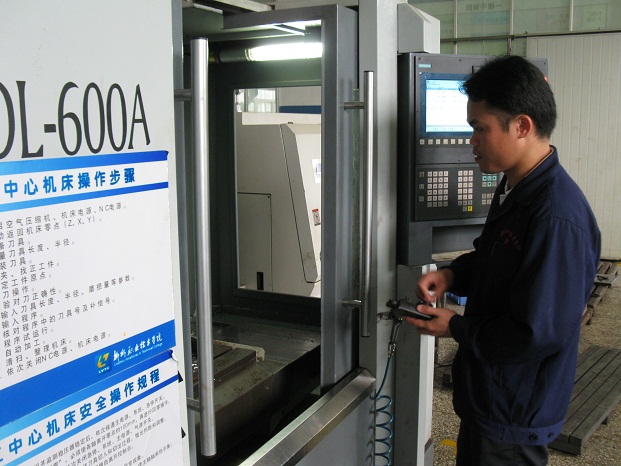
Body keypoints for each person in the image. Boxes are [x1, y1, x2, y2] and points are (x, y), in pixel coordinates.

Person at [405, 55, 601, 465]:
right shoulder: (516, 187)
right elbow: (496, 258)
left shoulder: (556, 217)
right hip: (491, 396)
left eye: (480, 129)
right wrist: (452, 274)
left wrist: (455, 326)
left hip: (514, 410)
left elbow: (536, 332)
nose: (471, 141)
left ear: (522, 126)